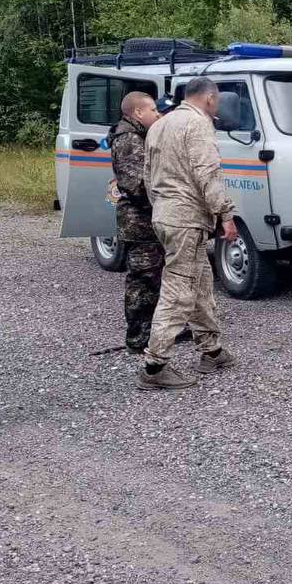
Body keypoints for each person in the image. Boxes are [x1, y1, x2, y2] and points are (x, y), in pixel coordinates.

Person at [139, 77, 239, 389]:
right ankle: (154, 366)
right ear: (209, 99)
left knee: (200, 283)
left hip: (167, 214)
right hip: (186, 217)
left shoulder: (160, 124)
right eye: (217, 101)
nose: (217, 106)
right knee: (180, 289)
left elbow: (147, 175)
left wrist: (161, 207)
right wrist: (225, 215)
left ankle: (212, 350)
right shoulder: (198, 125)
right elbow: (208, 173)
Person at [110, 91, 163, 352]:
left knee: (155, 278)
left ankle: (154, 331)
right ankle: (138, 338)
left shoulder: (139, 135)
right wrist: (165, 203)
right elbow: (137, 186)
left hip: (146, 221)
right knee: (142, 280)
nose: (157, 114)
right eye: (153, 109)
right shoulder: (129, 139)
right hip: (138, 222)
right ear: (138, 113)